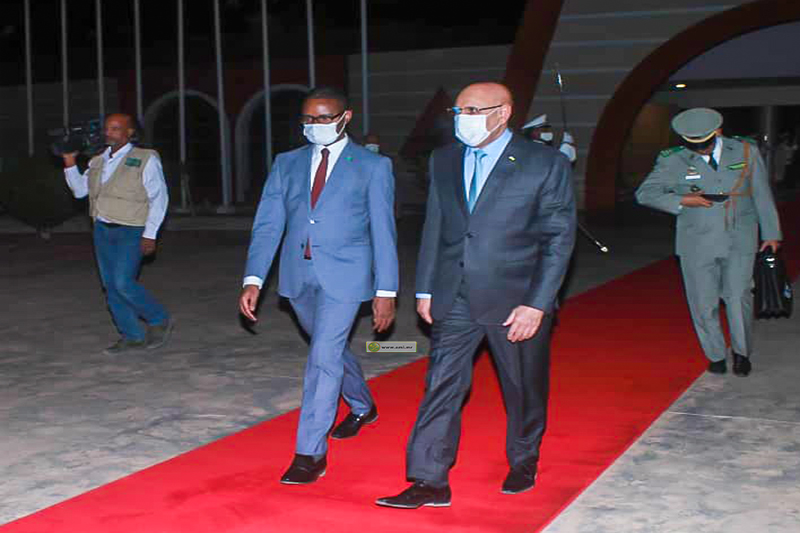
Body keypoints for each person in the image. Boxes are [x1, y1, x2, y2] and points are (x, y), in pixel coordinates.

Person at [376, 82, 576, 509]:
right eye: (458, 111)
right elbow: (435, 226)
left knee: (522, 387)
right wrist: (426, 288)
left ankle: (523, 459)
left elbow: (559, 238)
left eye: (473, 111)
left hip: (516, 298)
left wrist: (537, 304)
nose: (462, 119)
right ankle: (429, 479)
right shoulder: (444, 159)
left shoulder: (544, 163)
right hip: (455, 293)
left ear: (503, 113)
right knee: (441, 384)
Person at [239, 87, 399, 485]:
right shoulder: (287, 163)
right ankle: (362, 405)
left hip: (346, 275)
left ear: (346, 117)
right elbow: (268, 224)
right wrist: (254, 278)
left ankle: (310, 453)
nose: (315, 126)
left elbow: (384, 231)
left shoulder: (373, 166)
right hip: (298, 275)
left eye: (324, 118)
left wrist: (386, 290)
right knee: (330, 349)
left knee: (322, 357)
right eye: (308, 119)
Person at [636, 107, 782, 377]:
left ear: (718, 131)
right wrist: (682, 200)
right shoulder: (672, 159)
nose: (701, 150)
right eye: (695, 145)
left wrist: (771, 233)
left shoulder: (745, 151)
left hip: (740, 236)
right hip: (696, 241)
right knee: (703, 302)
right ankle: (715, 354)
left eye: (706, 143)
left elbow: (761, 193)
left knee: (738, 297)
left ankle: (741, 353)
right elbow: (645, 193)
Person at [62, 113, 172, 355]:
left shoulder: (145, 158)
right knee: (111, 286)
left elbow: (159, 197)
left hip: (132, 230)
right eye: (107, 128)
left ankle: (158, 318)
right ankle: (131, 336)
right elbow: (80, 191)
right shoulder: (98, 161)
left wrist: (150, 234)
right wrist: (69, 162)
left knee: (123, 282)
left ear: (130, 132)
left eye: (115, 128)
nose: (108, 133)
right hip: (102, 230)